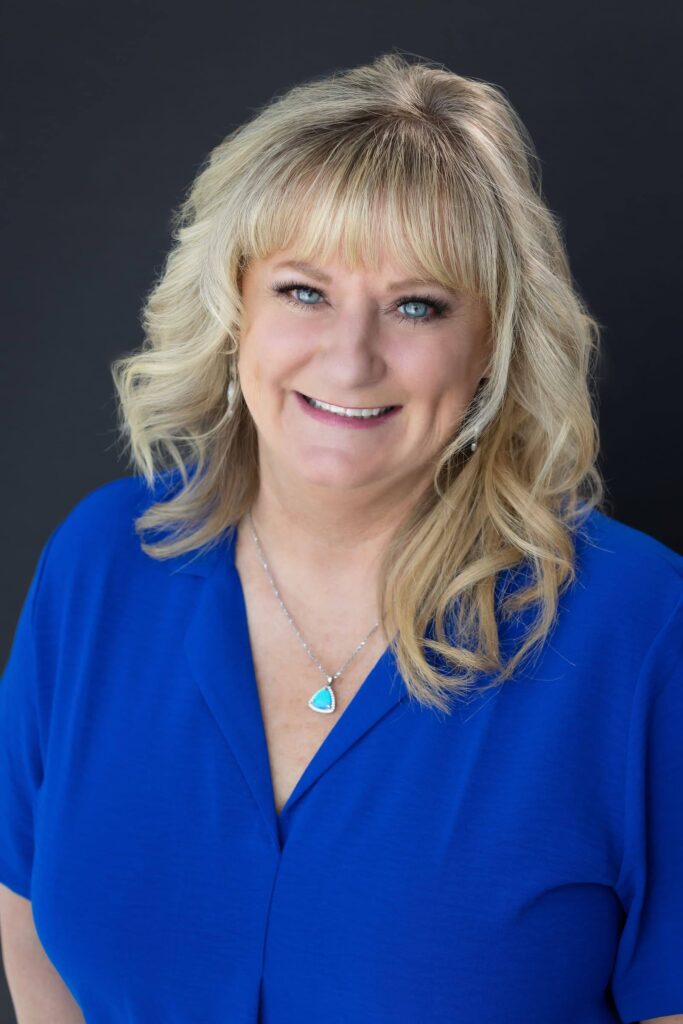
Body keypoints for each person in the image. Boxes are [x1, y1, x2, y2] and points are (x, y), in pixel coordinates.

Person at [1, 51, 681, 1024]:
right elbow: (29, 932)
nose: (350, 356)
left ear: (491, 343)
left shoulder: (642, 632)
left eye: (416, 305)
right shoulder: (101, 563)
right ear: (235, 304)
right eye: (303, 291)